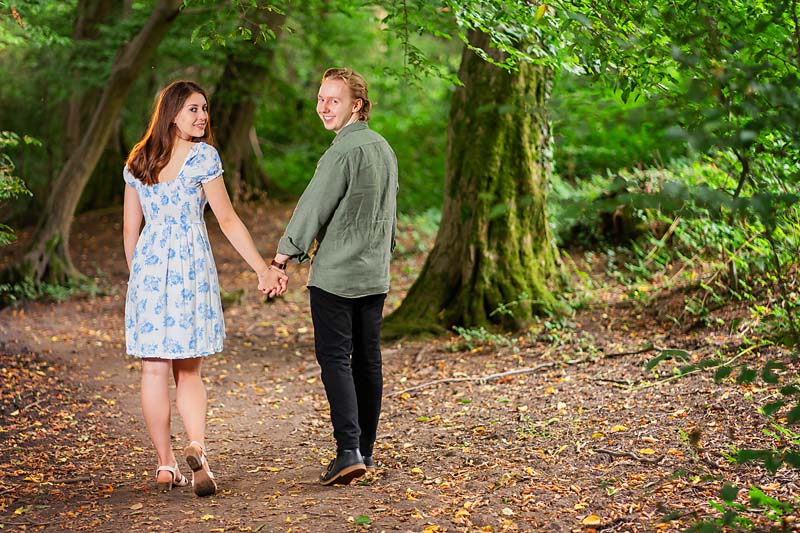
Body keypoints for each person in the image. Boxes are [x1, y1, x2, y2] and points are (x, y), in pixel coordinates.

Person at [122, 80, 286, 496]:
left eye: (205, 109)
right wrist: (262, 269)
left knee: (154, 368)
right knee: (189, 368)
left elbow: (130, 229)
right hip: (190, 268)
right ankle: (197, 446)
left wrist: (138, 276)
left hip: (149, 268)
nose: (202, 117)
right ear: (172, 113)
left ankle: (165, 463)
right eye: (193, 109)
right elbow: (227, 219)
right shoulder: (202, 158)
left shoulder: (138, 161)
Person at [261, 67, 398, 486]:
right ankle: (365, 451)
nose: (323, 106)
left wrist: (281, 260)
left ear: (356, 105)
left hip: (336, 276)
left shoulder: (341, 152)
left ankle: (348, 451)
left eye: (333, 100)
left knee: (337, 360)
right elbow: (389, 213)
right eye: (320, 98)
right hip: (374, 275)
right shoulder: (384, 149)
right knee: (368, 360)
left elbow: (312, 207)